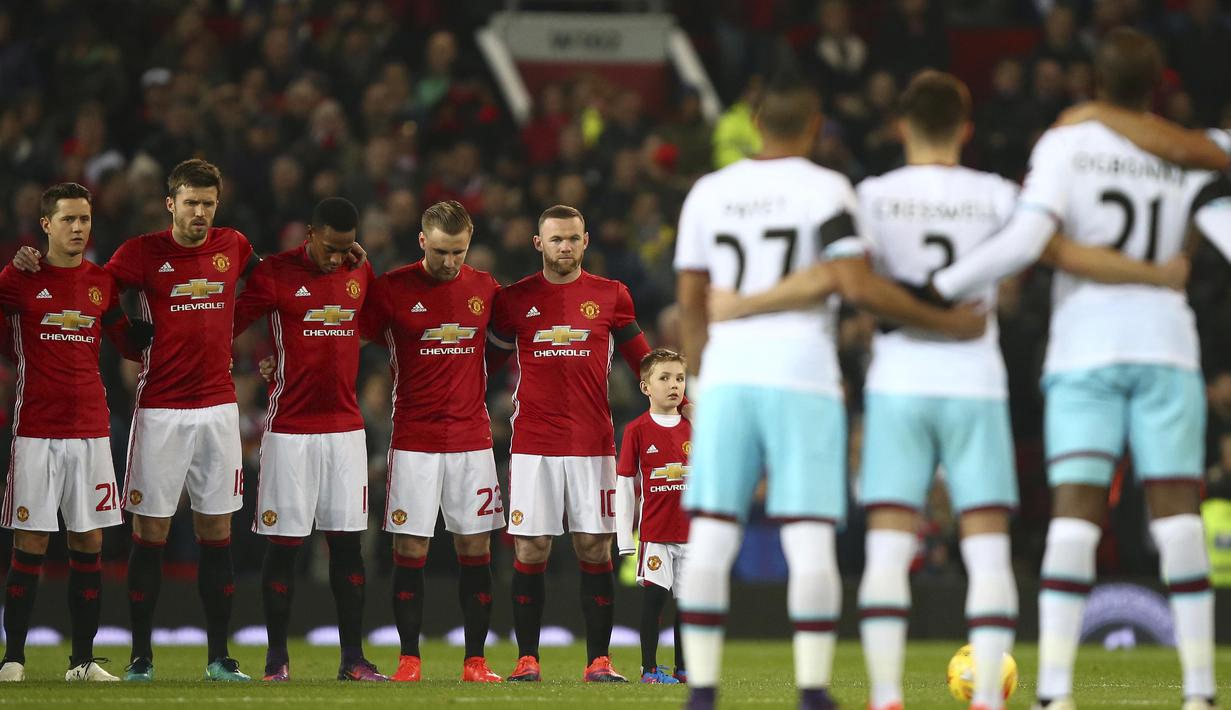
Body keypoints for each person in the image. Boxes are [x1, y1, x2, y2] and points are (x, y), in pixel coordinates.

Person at [707, 71, 1190, 710]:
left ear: (900, 126)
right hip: (975, 385)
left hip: (898, 382)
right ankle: (989, 698)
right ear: (966, 128)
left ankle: (885, 697)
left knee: (888, 546)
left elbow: (855, 281)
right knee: (987, 548)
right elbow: (1030, 264)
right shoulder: (997, 194)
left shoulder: (870, 196)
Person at [926, 29, 1222, 710]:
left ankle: (1055, 694)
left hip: (1086, 348)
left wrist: (944, 284)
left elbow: (1031, 239)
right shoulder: (1188, 151)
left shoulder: (1066, 142)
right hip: (1167, 346)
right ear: (1158, 84)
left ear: (1093, 83)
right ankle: (1201, 693)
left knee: (1074, 515)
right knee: (1178, 517)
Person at [672, 73, 986, 710]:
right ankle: (813, 690)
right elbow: (849, 278)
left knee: (711, 532)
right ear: (815, 126)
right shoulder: (827, 189)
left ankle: (702, 692)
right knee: (809, 536)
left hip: (728, 376)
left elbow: (690, 301)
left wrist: (699, 382)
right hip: (803, 376)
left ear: (755, 123)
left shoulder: (709, 192)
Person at [13, 159, 257, 682]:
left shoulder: (234, 245)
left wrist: (329, 260)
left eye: (208, 204)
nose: (199, 213)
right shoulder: (140, 253)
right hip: (160, 409)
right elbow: (91, 286)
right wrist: (34, 263)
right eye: (190, 203)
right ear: (171, 204)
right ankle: (141, 657)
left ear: (217, 205)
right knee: (151, 531)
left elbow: (274, 282)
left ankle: (220, 658)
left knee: (217, 529)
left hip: (219, 407)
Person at [487, 204, 662, 683]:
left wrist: (679, 402)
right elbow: (482, 367)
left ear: (585, 242)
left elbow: (642, 362)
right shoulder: (514, 300)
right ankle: (527, 659)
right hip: (533, 444)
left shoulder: (611, 295)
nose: (565, 247)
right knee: (531, 549)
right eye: (556, 239)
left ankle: (599, 661)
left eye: (572, 238)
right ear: (538, 244)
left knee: (594, 547)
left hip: (592, 444)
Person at [0, 183, 150, 682]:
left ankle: (82, 662)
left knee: (88, 543)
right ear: (46, 225)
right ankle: (13, 659)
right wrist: (14, 266)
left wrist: (158, 334)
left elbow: (127, 343)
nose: (78, 227)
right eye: (68, 219)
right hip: (36, 431)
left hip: (90, 429)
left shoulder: (100, 282)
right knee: (31, 543)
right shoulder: (19, 279)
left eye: (84, 219)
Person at [232, 197, 386, 682]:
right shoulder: (276, 273)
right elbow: (229, 322)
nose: (338, 258)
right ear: (310, 235)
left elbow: (369, 327)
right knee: (284, 546)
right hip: (289, 432)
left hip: (345, 430)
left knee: (347, 547)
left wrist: (304, 351)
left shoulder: (360, 271)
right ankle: (276, 660)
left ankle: (353, 659)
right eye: (330, 248)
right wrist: (269, 360)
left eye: (346, 248)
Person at [356, 200, 504, 683]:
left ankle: (475, 661)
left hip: (471, 441)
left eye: (459, 251)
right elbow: (346, 339)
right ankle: (409, 660)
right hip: (413, 441)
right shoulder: (392, 289)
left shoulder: (485, 288)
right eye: (441, 251)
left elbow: (506, 345)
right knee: (411, 549)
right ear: (422, 241)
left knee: (475, 549)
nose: (450, 261)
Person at [615, 348, 691, 685]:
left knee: (688, 604)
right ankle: (649, 669)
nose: (674, 385)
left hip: (691, 534)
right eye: (665, 378)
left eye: (680, 378)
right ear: (646, 387)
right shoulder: (637, 430)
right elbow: (624, 483)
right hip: (656, 533)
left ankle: (684, 668)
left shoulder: (695, 427)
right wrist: (623, 538)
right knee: (655, 600)